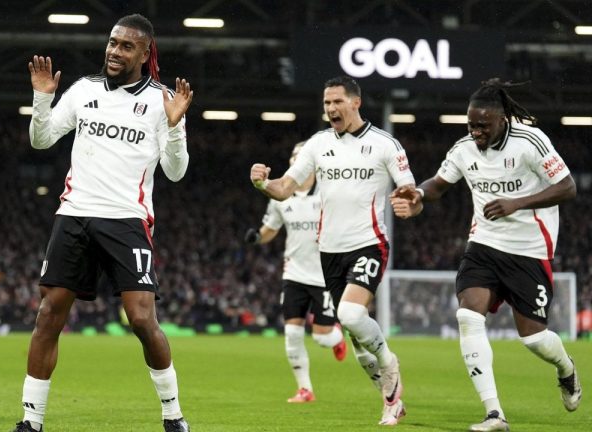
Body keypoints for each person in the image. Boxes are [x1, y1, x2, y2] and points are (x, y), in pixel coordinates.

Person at [13, 14, 193, 432]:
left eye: (126, 46)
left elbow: (176, 170)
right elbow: (41, 140)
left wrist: (175, 125)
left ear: (145, 53)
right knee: (48, 314)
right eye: (112, 43)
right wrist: (42, 100)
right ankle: (30, 420)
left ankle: (173, 415)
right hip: (74, 214)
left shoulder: (162, 99)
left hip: (127, 220)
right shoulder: (84, 90)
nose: (115, 51)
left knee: (142, 319)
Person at [391, 78, 582, 432]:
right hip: (483, 245)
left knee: (535, 339)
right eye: (471, 124)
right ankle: (494, 413)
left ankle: (566, 369)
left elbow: (567, 187)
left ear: (502, 120)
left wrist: (517, 203)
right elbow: (440, 183)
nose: (476, 131)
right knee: (468, 316)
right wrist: (417, 192)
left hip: (528, 250)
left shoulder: (531, 141)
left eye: (483, 125)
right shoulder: (463, 148)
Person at [249, 76, 415, 426]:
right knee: (355, 341)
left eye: (337, 102)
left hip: (368, 243)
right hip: (330, 250)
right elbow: (284, 189)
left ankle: (389, 362)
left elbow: (410, 193)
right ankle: (391, 401)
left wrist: (410, 206)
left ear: (356, 102)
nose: (331, 109)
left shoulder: (385, 144)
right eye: (326, 103)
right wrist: (262, 182)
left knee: (353, 317)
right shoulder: (317, 144)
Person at [245, 141, 348, 404]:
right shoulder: (281, 197)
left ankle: (337, 334)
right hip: (294, 274)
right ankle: (305, 389)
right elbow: (271, 228)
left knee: (322, 338)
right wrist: (257, 237)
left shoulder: (328, 192)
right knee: (291, 332)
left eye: (301, 157)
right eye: (293, 156)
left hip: (325, 275)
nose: (296, 160)